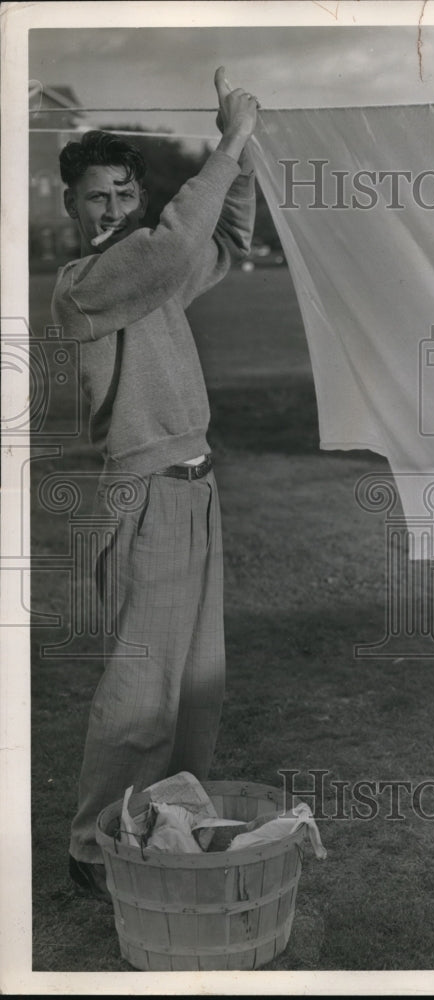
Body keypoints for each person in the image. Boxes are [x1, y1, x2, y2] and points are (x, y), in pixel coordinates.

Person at [52, 67, 259, 902]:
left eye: (122, 192)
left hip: (196, 490)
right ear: (73, 207)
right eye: (95, 196)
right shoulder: (88, 285)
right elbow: (177, 242)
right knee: (140, 697)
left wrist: (240, 160)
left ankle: (160, 825)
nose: (110, 207)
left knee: (195, 688)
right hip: (141, 499)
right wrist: (232, 138)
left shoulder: (153, 268)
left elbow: (226, 241)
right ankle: (93, 850)